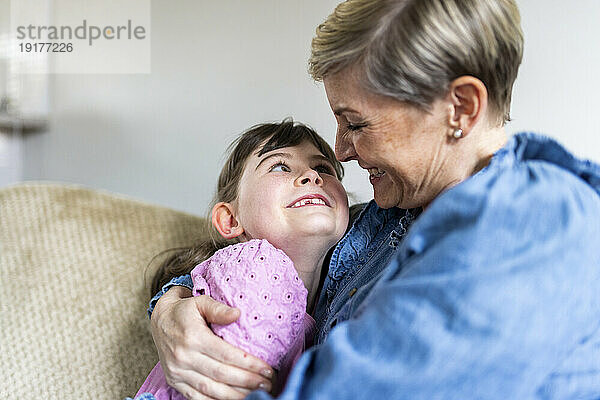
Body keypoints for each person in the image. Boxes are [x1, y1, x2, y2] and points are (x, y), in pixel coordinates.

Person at [149, 1, 600, 399]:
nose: (340, 150)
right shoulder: (383, 220)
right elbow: (253, 265)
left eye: (356, 124)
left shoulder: (539, 224)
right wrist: (172, 311)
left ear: (460, 107)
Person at [132, 120, 349, 399]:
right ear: (230, 219)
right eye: (280, 166)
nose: (312, 175)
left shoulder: (323, 301)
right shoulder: (258, 264)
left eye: (323, 169)